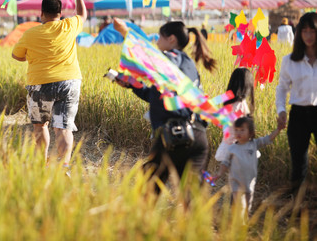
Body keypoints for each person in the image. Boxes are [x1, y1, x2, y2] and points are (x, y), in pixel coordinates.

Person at [113, 19, 217, 190]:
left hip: (176, 136)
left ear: (172, 39)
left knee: (148, 192)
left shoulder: (172, 57)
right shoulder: (188, 64)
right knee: (192, 200)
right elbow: (152, 95)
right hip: (198, 136)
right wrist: (132, 84)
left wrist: (125, 32)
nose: (157, 42)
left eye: (160, 37)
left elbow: (150, 57)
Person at [11, 0, 87, 172]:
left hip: (40, 85)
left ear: (42, 13)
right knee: (63, 128)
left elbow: (16, 55)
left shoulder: (30, 33)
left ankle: (41, 166)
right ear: (60, 14)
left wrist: (32, 57)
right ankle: (65, 167)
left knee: (40, 126)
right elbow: (82, 15)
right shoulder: (70, 25)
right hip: (69, 83)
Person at [275, 12, 317, 190]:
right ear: (299, 33)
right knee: (298, 163)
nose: (308, 35)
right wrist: (281, 110)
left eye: (312, 31)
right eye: (304, 31)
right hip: (298, 114)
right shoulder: (290, 61)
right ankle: (296, 206)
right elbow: (282, 88)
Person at [212, 116, 284, 218]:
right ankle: (237, 220)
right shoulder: (232, 148)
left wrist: (278, 129)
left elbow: (268, 138)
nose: (239, 133)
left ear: (250, 133)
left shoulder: (254, 144)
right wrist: (219, 173)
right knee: (237, 200)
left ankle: (246, 214)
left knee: (247, 200)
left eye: (242, 130)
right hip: (235, 180)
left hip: (249, 180)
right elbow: (225, 163)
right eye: (236, 130)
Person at [215, 68, 254, 162]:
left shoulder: (229, 103)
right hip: (237, 147)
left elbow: (220, 123)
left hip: (227, 144)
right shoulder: (240, 105)